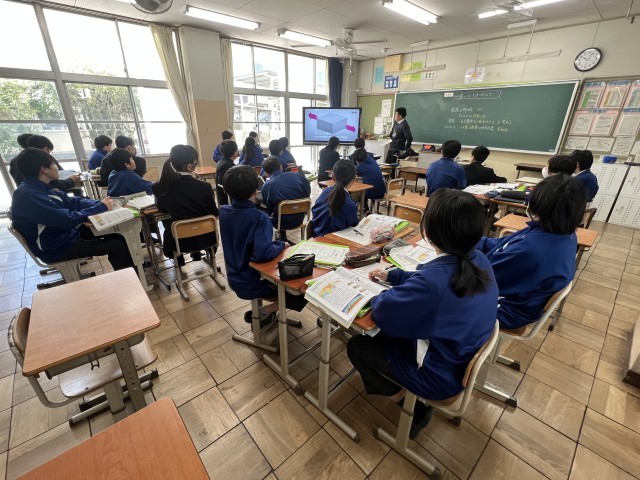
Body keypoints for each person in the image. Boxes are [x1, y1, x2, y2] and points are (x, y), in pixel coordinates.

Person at [347, 189, 498, 439]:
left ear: (428, 231)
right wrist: (394, 276)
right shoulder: (479, 259)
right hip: (458, 354)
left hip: (436, 375)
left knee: (358, 345)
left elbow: (383, 311)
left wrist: (378, 293)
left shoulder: (434, 284)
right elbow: (430, 277)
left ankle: (414, 410)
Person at [476, 174, 586, 331]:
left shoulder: (533, 250)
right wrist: (469, 239)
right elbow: (501, 245)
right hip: (517, 298)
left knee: (445, 298)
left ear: (542, 207)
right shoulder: (558, 232)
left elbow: (478, 280)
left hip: (505, 310)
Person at [10, 148, 133, 270]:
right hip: (54, 247)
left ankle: (134, 269)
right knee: (116, 245)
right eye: (54, 164)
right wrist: (101, 207)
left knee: (118, 234)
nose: (57, 168)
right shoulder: (27, 195)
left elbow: (72, 202)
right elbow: (66, 219)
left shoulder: (42, 188)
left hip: (63, 235)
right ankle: (130, 279)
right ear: (44, 169)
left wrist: (102, 204)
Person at [219, 165, 307, 324]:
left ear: (226, 191)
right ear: (256, 190)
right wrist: (281, 245)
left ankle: (265, 315)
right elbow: (262, 254)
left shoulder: (224, 212)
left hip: (234, 278)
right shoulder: (260, 218)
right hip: (254, 282)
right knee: (304, 287)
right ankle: (266, 311)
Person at [153, 145, 219, 265]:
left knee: (169, 221)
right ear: (189, 167)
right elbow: (214, 213)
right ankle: (203, 256)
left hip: (178, 242)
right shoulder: (205, 187)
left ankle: (179, 261)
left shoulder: (159, 187)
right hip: (207, 239)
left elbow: (162, 209)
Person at [261, 157, 311, 241]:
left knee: (263, 212)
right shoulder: (297, 176)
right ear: (281, 167)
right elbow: (307, 192)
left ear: (266, 173)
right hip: (299, 219)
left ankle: (279, 241)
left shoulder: (266, 186)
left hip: (280, 222)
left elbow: (270, 208)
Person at [311, 160, 359, 237]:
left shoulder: (324, 192)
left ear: (333, 177)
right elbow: (353, 228)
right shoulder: (351, 205)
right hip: (338, 242)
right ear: (354, 179)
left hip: (316, 238)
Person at [215, 139, 238, 207]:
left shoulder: (222, 161)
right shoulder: (227, 165)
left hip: (224, 197)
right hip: (227, 200)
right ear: (234, 152)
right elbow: (227, 185)